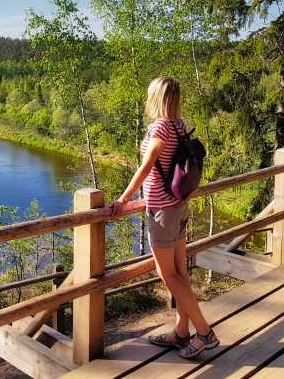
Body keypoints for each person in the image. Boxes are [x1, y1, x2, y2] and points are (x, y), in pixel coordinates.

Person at [111, 76, 219, 359]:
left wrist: (123, 199)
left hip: (162, 210)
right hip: (178, 205)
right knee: (179, 272)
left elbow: (147, 166)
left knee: (167, 274)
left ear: (156, 97)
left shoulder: (160, 126)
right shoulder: (178, 124)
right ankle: (181, 332)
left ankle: (205, 332)